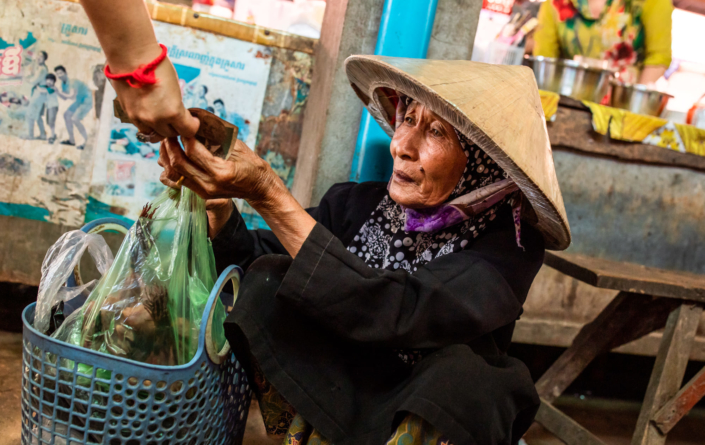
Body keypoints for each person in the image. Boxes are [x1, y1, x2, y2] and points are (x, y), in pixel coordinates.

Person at [158, 55, 572, 444]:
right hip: (340, 391)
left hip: (414, 404)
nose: (402, 145)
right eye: (407, 119)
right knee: (266, 283)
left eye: (435, 132)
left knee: (471, 380)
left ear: (483, 162)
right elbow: (260, 260)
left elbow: (399, 309)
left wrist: (268, 192)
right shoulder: (356, 203)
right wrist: (223, 216)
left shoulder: (505, 247)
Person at [533, 0, 673, 84]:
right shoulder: (556, 0)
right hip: (570, 105)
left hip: (623, 109)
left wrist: (634, 105)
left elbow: (659, 55)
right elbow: (544, 64)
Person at [54, 65, 93, 150]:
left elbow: (71, 96)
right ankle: (71, 140)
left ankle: (87, 142)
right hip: (79, 101)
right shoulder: (63, 84)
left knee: (75, 119)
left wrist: (58, 91)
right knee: (66, 115)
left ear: (65, 73)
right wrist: (57, 92)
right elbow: (64, 98)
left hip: (87, 100)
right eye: (57, 74)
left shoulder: (72, 82)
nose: (59, 75)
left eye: (61, 73)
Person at [25, 51, 49, 140]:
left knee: (30, 114)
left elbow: (33, 81)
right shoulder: (40, 68)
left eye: (41, 57)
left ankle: (30, 135)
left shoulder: (42, 69)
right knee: (37, 115)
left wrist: (26, 78)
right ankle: (43, 135)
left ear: (44, 59)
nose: (39, 58)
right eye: (38, 55)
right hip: (39, 93)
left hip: (39, 93)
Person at [44, 73, 59, 144]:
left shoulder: (53, 88)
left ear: (54, 82)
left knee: (51, 122)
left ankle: (52, 137)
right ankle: (53, 134)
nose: (49, 82)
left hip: (53, 106)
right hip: (49, 107)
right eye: (47, 80)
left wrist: (37, 86)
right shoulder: (47, 88)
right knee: (49, 122)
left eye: (51, 81)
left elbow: (43, 91)